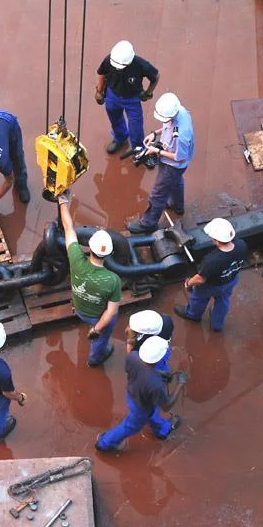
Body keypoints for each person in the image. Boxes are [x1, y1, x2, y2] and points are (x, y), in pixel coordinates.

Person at [57, 191, 122, 366]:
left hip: (79, 309)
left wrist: (63, 202)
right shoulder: (113, 280)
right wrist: (96, 329)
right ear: (109, 253)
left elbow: (68, 228)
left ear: (90, 248)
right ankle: (95, 358)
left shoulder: (76, 259)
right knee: (102, 336)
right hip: (96, 318)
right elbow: (111, 312)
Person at [95, 336, 187, 452]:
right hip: (143, 407)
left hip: (131, 393)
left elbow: (140, 369)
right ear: (159, 358)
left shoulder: (133, 356)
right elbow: (167, 406)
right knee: (130, 426)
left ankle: (162, 430)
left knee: (149, 415)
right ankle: (104, 443)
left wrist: (159, 373)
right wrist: (180, 384)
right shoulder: (155, 385)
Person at [127, 92, 195, 233]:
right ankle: (177, 205)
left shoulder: (182, 135)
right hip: (176, 165)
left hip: (173, 165)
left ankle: (148, 223)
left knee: (158, 194)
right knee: (176, 181)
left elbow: (179, 157)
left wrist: (156, 151)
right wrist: (155, 133)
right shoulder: (181, 112)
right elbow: (168, 126)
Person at [176, 218, 248, 331]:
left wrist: (188, 283)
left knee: (198, 299)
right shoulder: (241, 245)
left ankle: (193, 315)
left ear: (217, 241)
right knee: (223, 301)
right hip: (231, 280)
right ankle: (217, 324)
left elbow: (200, 279)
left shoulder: (212, 260)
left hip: (211, 286)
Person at [96, 40, 160, 155]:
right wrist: (99, 91)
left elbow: (155, 76)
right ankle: (120, 137)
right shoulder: (109, 59)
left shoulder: (140, 64)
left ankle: (138, 147)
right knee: (114, 119)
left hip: (132, 99)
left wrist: (148, 93)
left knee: (135, 125)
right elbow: (102, 73)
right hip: (112, 95)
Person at [125, 309, 174, 374]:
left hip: (155, 355)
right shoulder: (165, 320)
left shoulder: (154, 341)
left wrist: (130, 341)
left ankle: (161, 374)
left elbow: (131, 353)